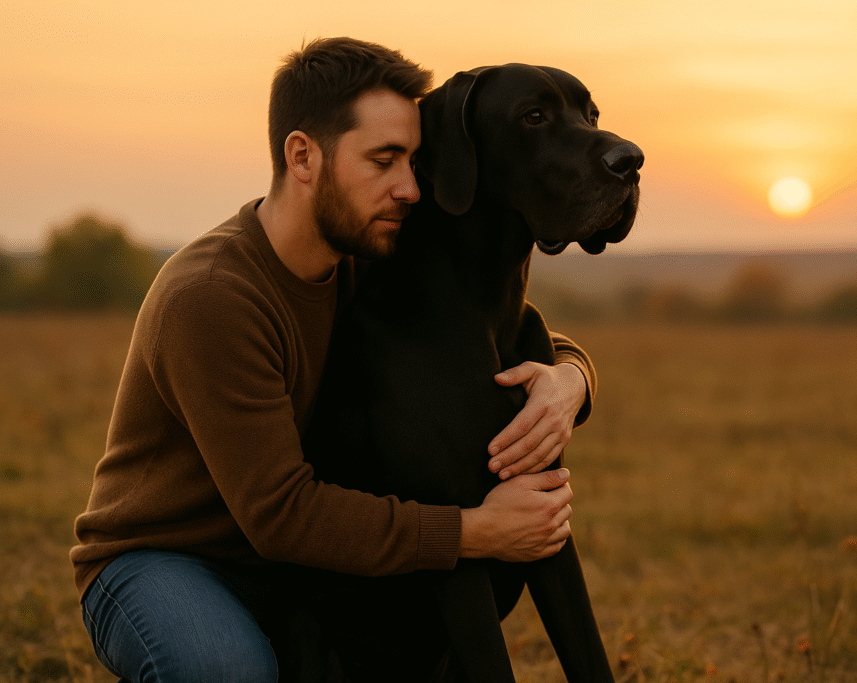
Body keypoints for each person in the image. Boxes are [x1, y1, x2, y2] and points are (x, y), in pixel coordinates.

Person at [70, 36, 597, 683]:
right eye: (384, 160)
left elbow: (490, 326)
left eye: (412, 159)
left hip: (308, 573)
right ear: (303, 157)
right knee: (228, 669)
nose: (409, 187)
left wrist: (569, 377)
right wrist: (476, 531)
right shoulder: (213, 297)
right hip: (168, 558)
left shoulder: (363, 253)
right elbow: (283, 514)